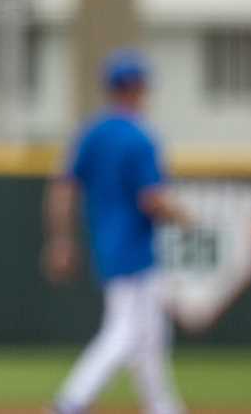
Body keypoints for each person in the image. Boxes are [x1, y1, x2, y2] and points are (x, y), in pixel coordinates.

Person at [42, 49, 189, 414]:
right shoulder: (140, 139)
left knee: (151, 336)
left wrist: (61, 241)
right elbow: (152, 200)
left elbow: (62, 189)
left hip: (107, 245)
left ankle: (163, 406)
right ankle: (69, 402)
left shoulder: (92, 133)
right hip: (135, 251)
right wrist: (184, 215)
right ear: (138, 87)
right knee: (125, 333)